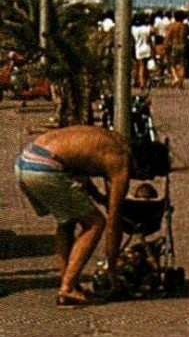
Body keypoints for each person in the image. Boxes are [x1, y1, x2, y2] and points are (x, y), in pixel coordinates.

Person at [14, 125, 132, 305]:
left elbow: (82, 163)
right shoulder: (122, 160)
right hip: (45, 168)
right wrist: (112, 271)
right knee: (95, 224)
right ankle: (68, 288)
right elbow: (113, 223)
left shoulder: (113, 141)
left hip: (25, 161)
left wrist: (98, 197)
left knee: (67, 221)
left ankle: (69, 282)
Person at [163, 11, 189, 89]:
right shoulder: (185, 26)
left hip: (174, 45)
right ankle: (181, 82)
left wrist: (165, 46)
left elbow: (168, 37)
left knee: (172, 64)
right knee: (182, 64)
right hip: (182, 45)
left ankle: (175, 78)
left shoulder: (171, 26)